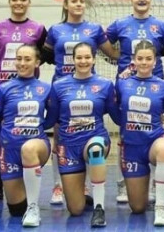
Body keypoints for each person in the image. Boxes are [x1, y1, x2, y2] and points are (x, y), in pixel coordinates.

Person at [106, 0, 164, 204]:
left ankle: (157, 184)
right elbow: (102, 44)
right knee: (126, 129)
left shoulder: (161, 25)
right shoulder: (120, 24)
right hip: (128, 85)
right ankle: (123, 182)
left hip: (154, 86)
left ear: (150, 0)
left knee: (154, 128)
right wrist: (117, 57)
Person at [43, 0, 118, 206]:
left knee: (88, 131)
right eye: (74, 1)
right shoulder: (55, 30)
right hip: (62, 90)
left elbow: (112, 54)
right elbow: (43, 56)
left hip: (88, 88)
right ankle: (58, 185)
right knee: (60, 137)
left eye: (81, 1)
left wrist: (136, 56)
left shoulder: (94, 29)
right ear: (66, 5)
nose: (78, 4)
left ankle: (84, 184)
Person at [0, 0, 47, 205]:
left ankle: (25, 181)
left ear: (29, 2)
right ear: (9, 2)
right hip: (1, 87)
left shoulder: (38, 29)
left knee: (27, 135)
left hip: (28, 92)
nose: (18, 3)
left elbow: (45, 55)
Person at [0, 45, 54, 227]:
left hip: (37, 146)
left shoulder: (46, 89)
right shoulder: (3, 89)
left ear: (37, 62)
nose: (22, 63)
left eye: (27, 59)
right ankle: (27, 196)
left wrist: (38, 129)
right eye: (19, 59)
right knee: (16, 210)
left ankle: (33, 207)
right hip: (9, 151)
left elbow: (52, 117)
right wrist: (7, 137)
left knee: (28, 148)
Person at [109, 40, 164, 226]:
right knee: (137, 207)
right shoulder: (123, 83)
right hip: (131, 146)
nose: (144, 62)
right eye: (140, 58)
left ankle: (161, 208)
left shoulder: (163, 86)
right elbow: (117, 110)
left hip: (154, 141)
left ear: (155, 61)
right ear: (134, 60)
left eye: (148, 59)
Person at [50, 42, 116, 227]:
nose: (83, 61)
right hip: (69, 145)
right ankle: (83, 196)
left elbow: (117, 117)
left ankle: (99, 208)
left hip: (96, 138)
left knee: (95, 150)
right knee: (75, 209)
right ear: (73, 60)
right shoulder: (59, 86)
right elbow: (52, 119)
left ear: (94, 59)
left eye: (87, 57)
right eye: (79, 57)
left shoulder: (105, 85)